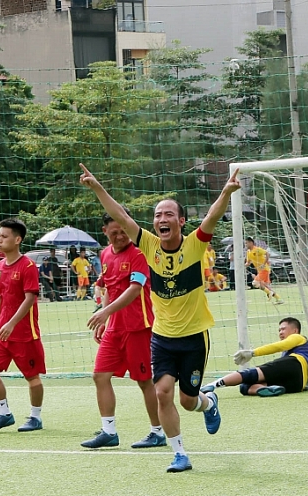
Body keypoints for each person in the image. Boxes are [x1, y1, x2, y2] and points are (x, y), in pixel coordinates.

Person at [80, 162, 239, 473]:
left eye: (168, 214)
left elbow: (212, 216)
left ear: (180, 221)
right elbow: (122, 217)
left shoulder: (194, 244)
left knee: (187, 401)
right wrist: (97, 186)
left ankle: (208, 402)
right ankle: (179, 453)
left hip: (194, 337)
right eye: (157, 215)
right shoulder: (148, 244)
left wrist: (227, 192)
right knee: (162, 392)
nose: (161, 219)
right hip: (162, 337)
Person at [80, 209, 163, 450]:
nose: (120, 236)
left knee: (144, 380)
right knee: (100, 375)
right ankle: (109, 431)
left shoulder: (139, 253)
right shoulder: (105, 254)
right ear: (105, 232)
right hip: (114, 329)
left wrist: (105, 312)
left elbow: (134, 289)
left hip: (138, 327)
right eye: (114, 232)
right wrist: (105, 318)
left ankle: (157, 431)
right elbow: (107, 288)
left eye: (124, 231)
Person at [0, 218, 45, 434]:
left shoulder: (27, 266)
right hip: (2, 330)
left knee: (31, 376)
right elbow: (2, 296)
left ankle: (35, 417)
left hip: (24, 332)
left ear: (17, 240)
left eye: (4, 236)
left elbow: (30, 299)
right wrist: (2, 321)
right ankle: (4, 414)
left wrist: (12, 322)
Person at [201, 317, 308, 398]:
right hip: (297, 386)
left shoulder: (298, 337)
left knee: (249, 374)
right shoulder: (287, 352)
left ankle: (212, 385)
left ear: (295, 330)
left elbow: (279, 346)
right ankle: (264, 389)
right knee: (245, 387)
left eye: (283, 329)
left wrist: (253, 353)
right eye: (279, 330)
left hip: (296, 365)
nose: (280, 332)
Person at [245, 237, 283, 304]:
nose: (245, 245)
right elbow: (248, 262)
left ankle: (269, 293)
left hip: (264, 269)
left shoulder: (257, 249)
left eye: (246, 243)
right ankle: (279, 299)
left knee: (255, 283)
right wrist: (243, 265)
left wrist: (264, 263)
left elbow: (267, 254)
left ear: (251, 243)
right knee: (265, 286)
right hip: (260, 270)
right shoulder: (248, 252)